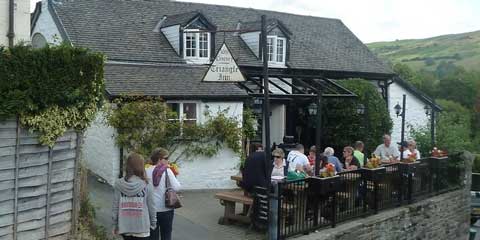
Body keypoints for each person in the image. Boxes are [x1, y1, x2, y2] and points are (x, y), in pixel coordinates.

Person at [112, 153, 156, 240]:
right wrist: (153, 223)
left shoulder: (119, 184)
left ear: (127, 166)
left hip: (125, 227)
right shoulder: (147, 184)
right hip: (142, 228)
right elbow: (152, 207)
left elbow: (115, 206)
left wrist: (114, 224)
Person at [146, 148, 181, 240]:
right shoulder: (167, 171)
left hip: (151, 209)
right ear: (159, 159)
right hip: (166, 208)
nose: (168, 160)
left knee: (153, 236)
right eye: (166, 158)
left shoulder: (146, 171)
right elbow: (177, 187)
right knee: (166, 235)